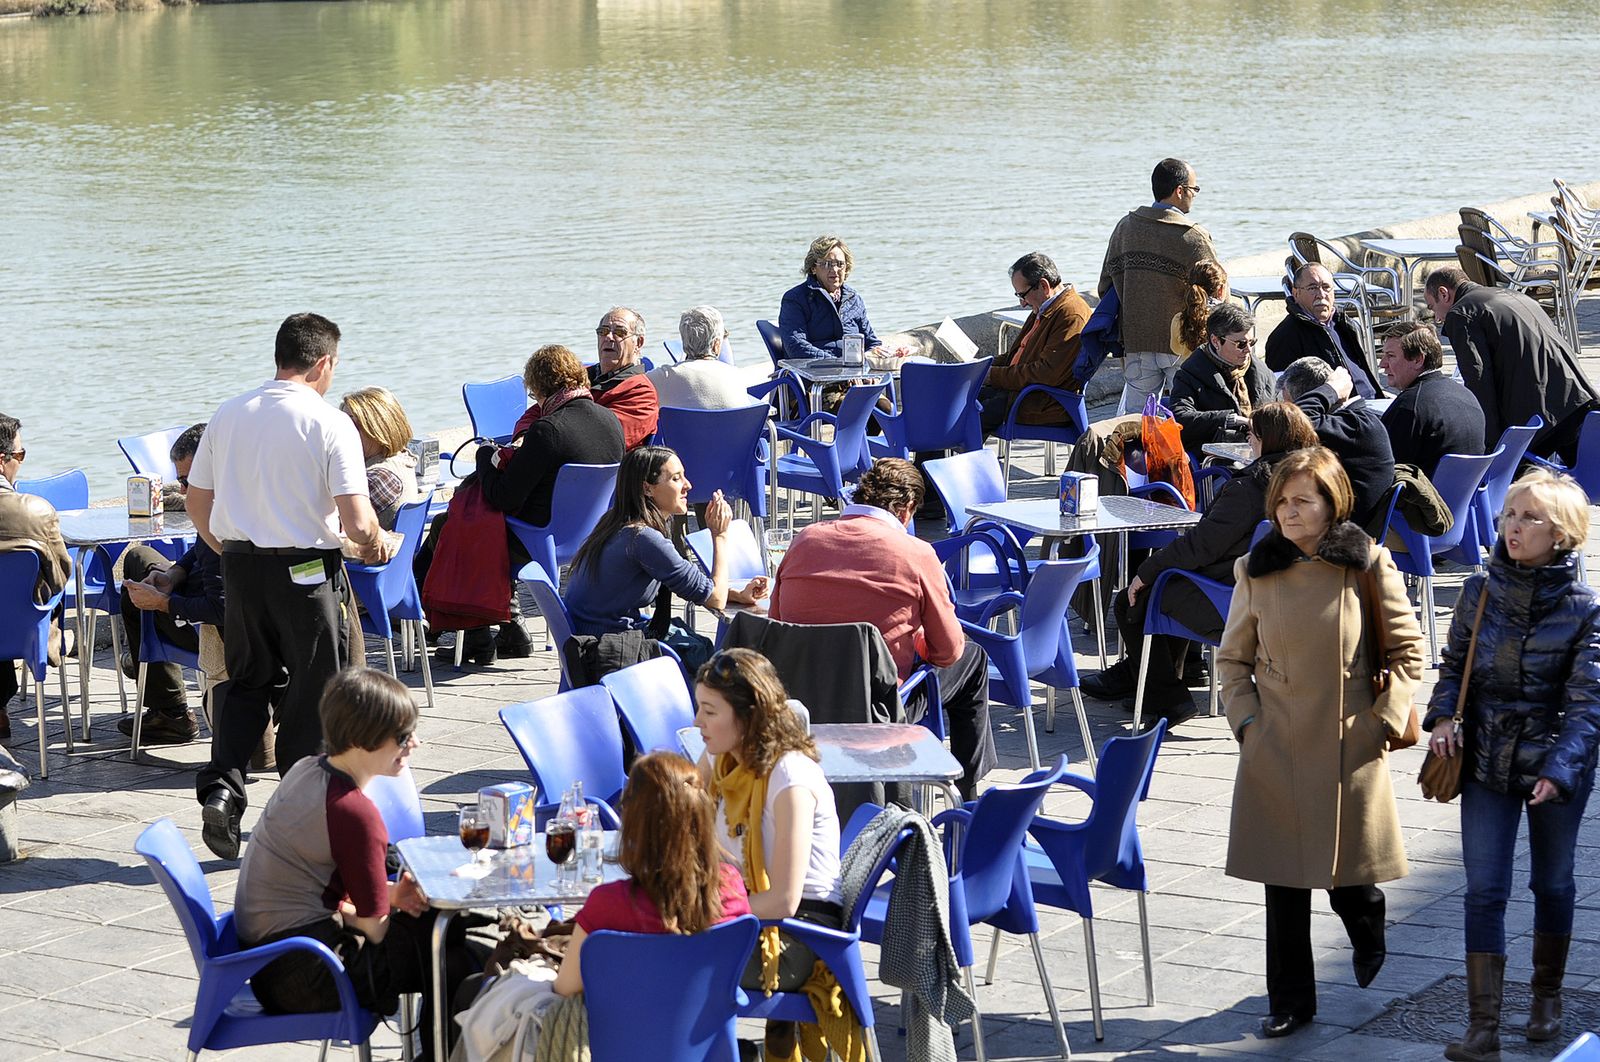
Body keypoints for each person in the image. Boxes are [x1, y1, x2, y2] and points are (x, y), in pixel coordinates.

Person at [1218, 447, 1424, 1039]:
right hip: (1275, 741)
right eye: (1280, 501)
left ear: (1332, 504)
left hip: (1347, 741)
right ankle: (1289, 1001)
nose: (1288, 512)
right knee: (1282, 881)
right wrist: (1248, 725)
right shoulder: (1255, 570)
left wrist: (1382, 722)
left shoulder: (1367, 564)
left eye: (1302, 500)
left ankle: (1366, 916)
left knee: (1346, 875)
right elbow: (1232, 660)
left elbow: (1409, 654)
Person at [188, 312, 395, 861]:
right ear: (324, 363)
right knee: (313, 689)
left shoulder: (228, 413)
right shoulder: (330, 423)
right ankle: (303, 810)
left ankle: (222, 790)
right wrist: (376, 542)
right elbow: (355, 520)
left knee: (247, 681)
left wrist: (226, 550)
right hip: (307, 572)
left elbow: (196, 501)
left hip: (241, 567)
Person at [1423, 470, 1600, 1060]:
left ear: (1564, 533)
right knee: (1484, 891)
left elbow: (1587, 705)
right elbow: (1452, 666)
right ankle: (1483, 1028)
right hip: (1488, 758)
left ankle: (1546, 997)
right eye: (1509, 515)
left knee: (1551, 881)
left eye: (1530, 518)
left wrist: (1561, 770)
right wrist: (1444, 717)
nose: (1513, 527)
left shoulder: (1585, 608)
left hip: (1554, 763)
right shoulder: (1480, 589)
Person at [233, 668, 480, 1061]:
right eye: (402, 736)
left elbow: (314, 893)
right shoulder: (354, 812)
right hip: (309, 975)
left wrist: (393, 897)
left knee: (446, 936)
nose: (414, 743)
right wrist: (392, 906)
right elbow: (374, 929)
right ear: (359, 739)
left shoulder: (307, 770)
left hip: (270, 963)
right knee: (455, 957)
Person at [1082, 402, 1317, 730]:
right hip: (1293, 600)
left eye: (1252, 435)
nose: (1248, 440)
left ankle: (1168, 699)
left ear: (1269, 440)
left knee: (1132, 599)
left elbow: (1199, 546)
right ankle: (1154, 680)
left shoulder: (1250, 489)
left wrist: (1145, 573)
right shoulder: (1314, 486)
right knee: (1170, 585)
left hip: (1233, 600)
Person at [770, 457, 995, 798]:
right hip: (878, 707)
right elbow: (949, 652)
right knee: (973, 659)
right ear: (906, 509)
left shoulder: (804, 539)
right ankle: (967, 794)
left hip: (801, 697)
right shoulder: (915, 553)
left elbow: (777, 625)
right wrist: (917, 641)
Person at [420, 344, 626, 665]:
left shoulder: (548, 430)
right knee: (471, 520)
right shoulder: (610, 421)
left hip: (540, 536)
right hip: (589, 534)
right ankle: (509, 630)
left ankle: (475, 632)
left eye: (534, 394)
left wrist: (484, 457)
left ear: (540, 388)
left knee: (459, 522)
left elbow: (504, 496)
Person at [694, 648, 848, 1062]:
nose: (697, 723)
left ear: (747, 717)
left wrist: (699, 912)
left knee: (663, 959)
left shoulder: (790, 779)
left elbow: (783, 899)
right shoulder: (721, 755)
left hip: (801, 931)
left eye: (709, 711)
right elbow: (684, 817)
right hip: (744, 907)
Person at [552, 751, 751, 997]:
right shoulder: (732, 889)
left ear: (635, 822)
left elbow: (565, 988)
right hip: (707, 1032)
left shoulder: (609, 903)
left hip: (617, 1032)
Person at [564, 446, 767, 667]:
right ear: (647, 489)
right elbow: (715, 599)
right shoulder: (642, 538)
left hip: (590, 636)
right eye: (676, 479)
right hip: (606, 650)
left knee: (694, 642)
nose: (687, 485)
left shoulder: (617, 521)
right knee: (716, 663)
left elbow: (698, 587)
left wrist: (735, 594)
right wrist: (719, 535)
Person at [114, 423, 221, 745]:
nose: (185, 491)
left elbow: (221, 608)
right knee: (139, 560)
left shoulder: (229, 524)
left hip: (208, 629)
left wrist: (163, 603)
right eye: (181, 482)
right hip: (195, 595)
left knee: (136, 591)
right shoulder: (224, 508)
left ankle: (169, 709)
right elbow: (199, 549)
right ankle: (159, 693)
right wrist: (175, 573)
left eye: (189, 482)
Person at [1424, 266, 1599, 462]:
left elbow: (1478, 380)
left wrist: (1489, 445)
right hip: (1577, 396)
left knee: (1516, 482)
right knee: (1589, 478)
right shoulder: (1512, 294)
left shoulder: (1461, 314)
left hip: (1541, 416)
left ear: (1443, 293)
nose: (1438, 318)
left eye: (1432, 307)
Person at [1097, 158, 1218, 412]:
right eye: (1194, 190)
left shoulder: (1125, 228)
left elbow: (1105, 285)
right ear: (1180, 190)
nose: (1195, 196)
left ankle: (1136, 453)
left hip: (1137, 340)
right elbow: (1217, 290)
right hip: (1183, 342)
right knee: (1187, 415)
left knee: (1136, 422)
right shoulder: (1192, 236)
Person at [0, 412, 72, 743]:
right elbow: (59, 577)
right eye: (21, 454)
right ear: (4, 460)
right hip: (21, 629)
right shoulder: (37, 511)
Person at [977, 251, 1092, 438]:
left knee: (963, 417)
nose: (1022, 303)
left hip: (1041, 402)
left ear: (1043, 286)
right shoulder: (1045, 306)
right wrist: (980, 367)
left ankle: (946, 465)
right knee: (950, 403)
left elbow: (1045, 373)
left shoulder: (1071, 315)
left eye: (1022, 295)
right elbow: (1015, 356)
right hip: (1020, 392)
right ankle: (927, 466)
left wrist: (992, 376)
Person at [1277, 357, 1395, 530]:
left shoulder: (1355, 426)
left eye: (1290, 404)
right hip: (1349, 524)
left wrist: (1330, 389)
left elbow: (1294, 422)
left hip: (1341, 534)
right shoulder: (1351, 423)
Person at [1376, 321, 1485, 478]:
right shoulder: (1465, 394)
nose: (1382, 364)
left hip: (1427, 499)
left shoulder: (1410, 407)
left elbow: (1382, 469)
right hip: (1466, 497)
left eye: (1390, 356)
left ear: (1418, 360)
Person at [1168, 303, 1275, 460]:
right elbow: (1181, 418)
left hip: (1265, 453)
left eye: (1252, 342)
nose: (1248, 350)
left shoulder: (1260, 370)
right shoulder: (1189, 374)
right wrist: (1232, 419)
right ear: (1216, 341)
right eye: (1241, 344)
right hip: (1221, 461)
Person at [1264, 262, 1385, 398]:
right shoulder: (1285, 336)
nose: (1321, 294)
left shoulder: (1343, 323)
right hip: (1337, 412)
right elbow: (1281, 395)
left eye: (1326, 287)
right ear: (1296, 293)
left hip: (1372, 401)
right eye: (1312, 288)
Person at [778, 235, 901, 361]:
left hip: (855, 370)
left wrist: (876, 353)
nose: (834, 270)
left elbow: (871, 343)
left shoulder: (853, 299)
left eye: (840, 264)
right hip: (814, 373)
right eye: (827, 264)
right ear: (813, 268)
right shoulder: (795, 299)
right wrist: (839, 363)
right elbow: (796, 348)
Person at [339, 387, 420, 531]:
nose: (343, 432)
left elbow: (335, 524)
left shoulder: (379, 478)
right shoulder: (402, 458)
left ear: (377, 429)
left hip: (362, 552)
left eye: (353, 425)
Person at [646, 305, 755, 411]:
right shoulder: (735, 376)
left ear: (684, 341)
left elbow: (631, 388)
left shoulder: (662, 377)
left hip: (683, 429)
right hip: (734, 429)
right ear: (716, 345)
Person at [589, 307, 661, 449]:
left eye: (620, 332)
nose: (608, 337)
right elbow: (539, 409)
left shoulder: (642, 394)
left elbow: (604, 442)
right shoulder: (578, 376)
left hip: (603, 468)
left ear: (638, 343)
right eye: (603, 331)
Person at [1170, 260, 1229, 358]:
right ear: (1221, 290)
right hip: (1221, 372)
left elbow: (1176, 349)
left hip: (1190, 372)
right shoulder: (1228, 318)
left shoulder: (1180, 318)